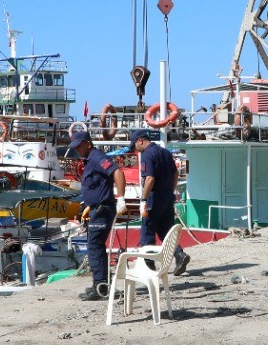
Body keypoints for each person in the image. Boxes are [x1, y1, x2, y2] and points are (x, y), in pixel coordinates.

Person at [67, 124, 127, 300]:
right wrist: (89, 205)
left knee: (94, 245)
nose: (76, 150)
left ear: (87, 143)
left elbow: (117, 172)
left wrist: (121, 198)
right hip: (97, 208)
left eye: (78, 146)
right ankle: (101, 285)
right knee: (96, 245)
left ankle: (101, 286)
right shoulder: (90, 159)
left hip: (102, 209)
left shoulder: (97, 157)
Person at [132, 130, 190, 274]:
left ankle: (148, 265)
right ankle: (179, 254)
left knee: (147, 231)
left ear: (140, 140)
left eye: (134, 145)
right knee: (165, 230)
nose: (135, 149)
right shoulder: (165, 153)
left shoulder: (147, 154)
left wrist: (143, 200)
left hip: (154, 196)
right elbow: (175, 174)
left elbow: (150, 178)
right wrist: (171, 190)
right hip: (167, 196)